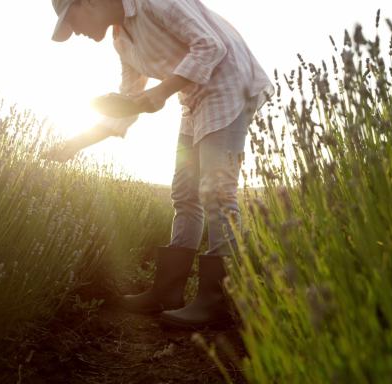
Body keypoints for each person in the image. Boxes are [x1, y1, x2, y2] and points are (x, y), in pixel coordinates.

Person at [47, 0, 273, 329]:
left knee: (217, 193)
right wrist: (75, 144)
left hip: (228, 84)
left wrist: (161, 93)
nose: (76, 32)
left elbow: (211, 45)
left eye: (73, 22)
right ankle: (168, 292)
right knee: (185, 193)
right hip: (193, 97)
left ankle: (219, 302)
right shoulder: (122, 42)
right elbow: (126, 107)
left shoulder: (155, 3)